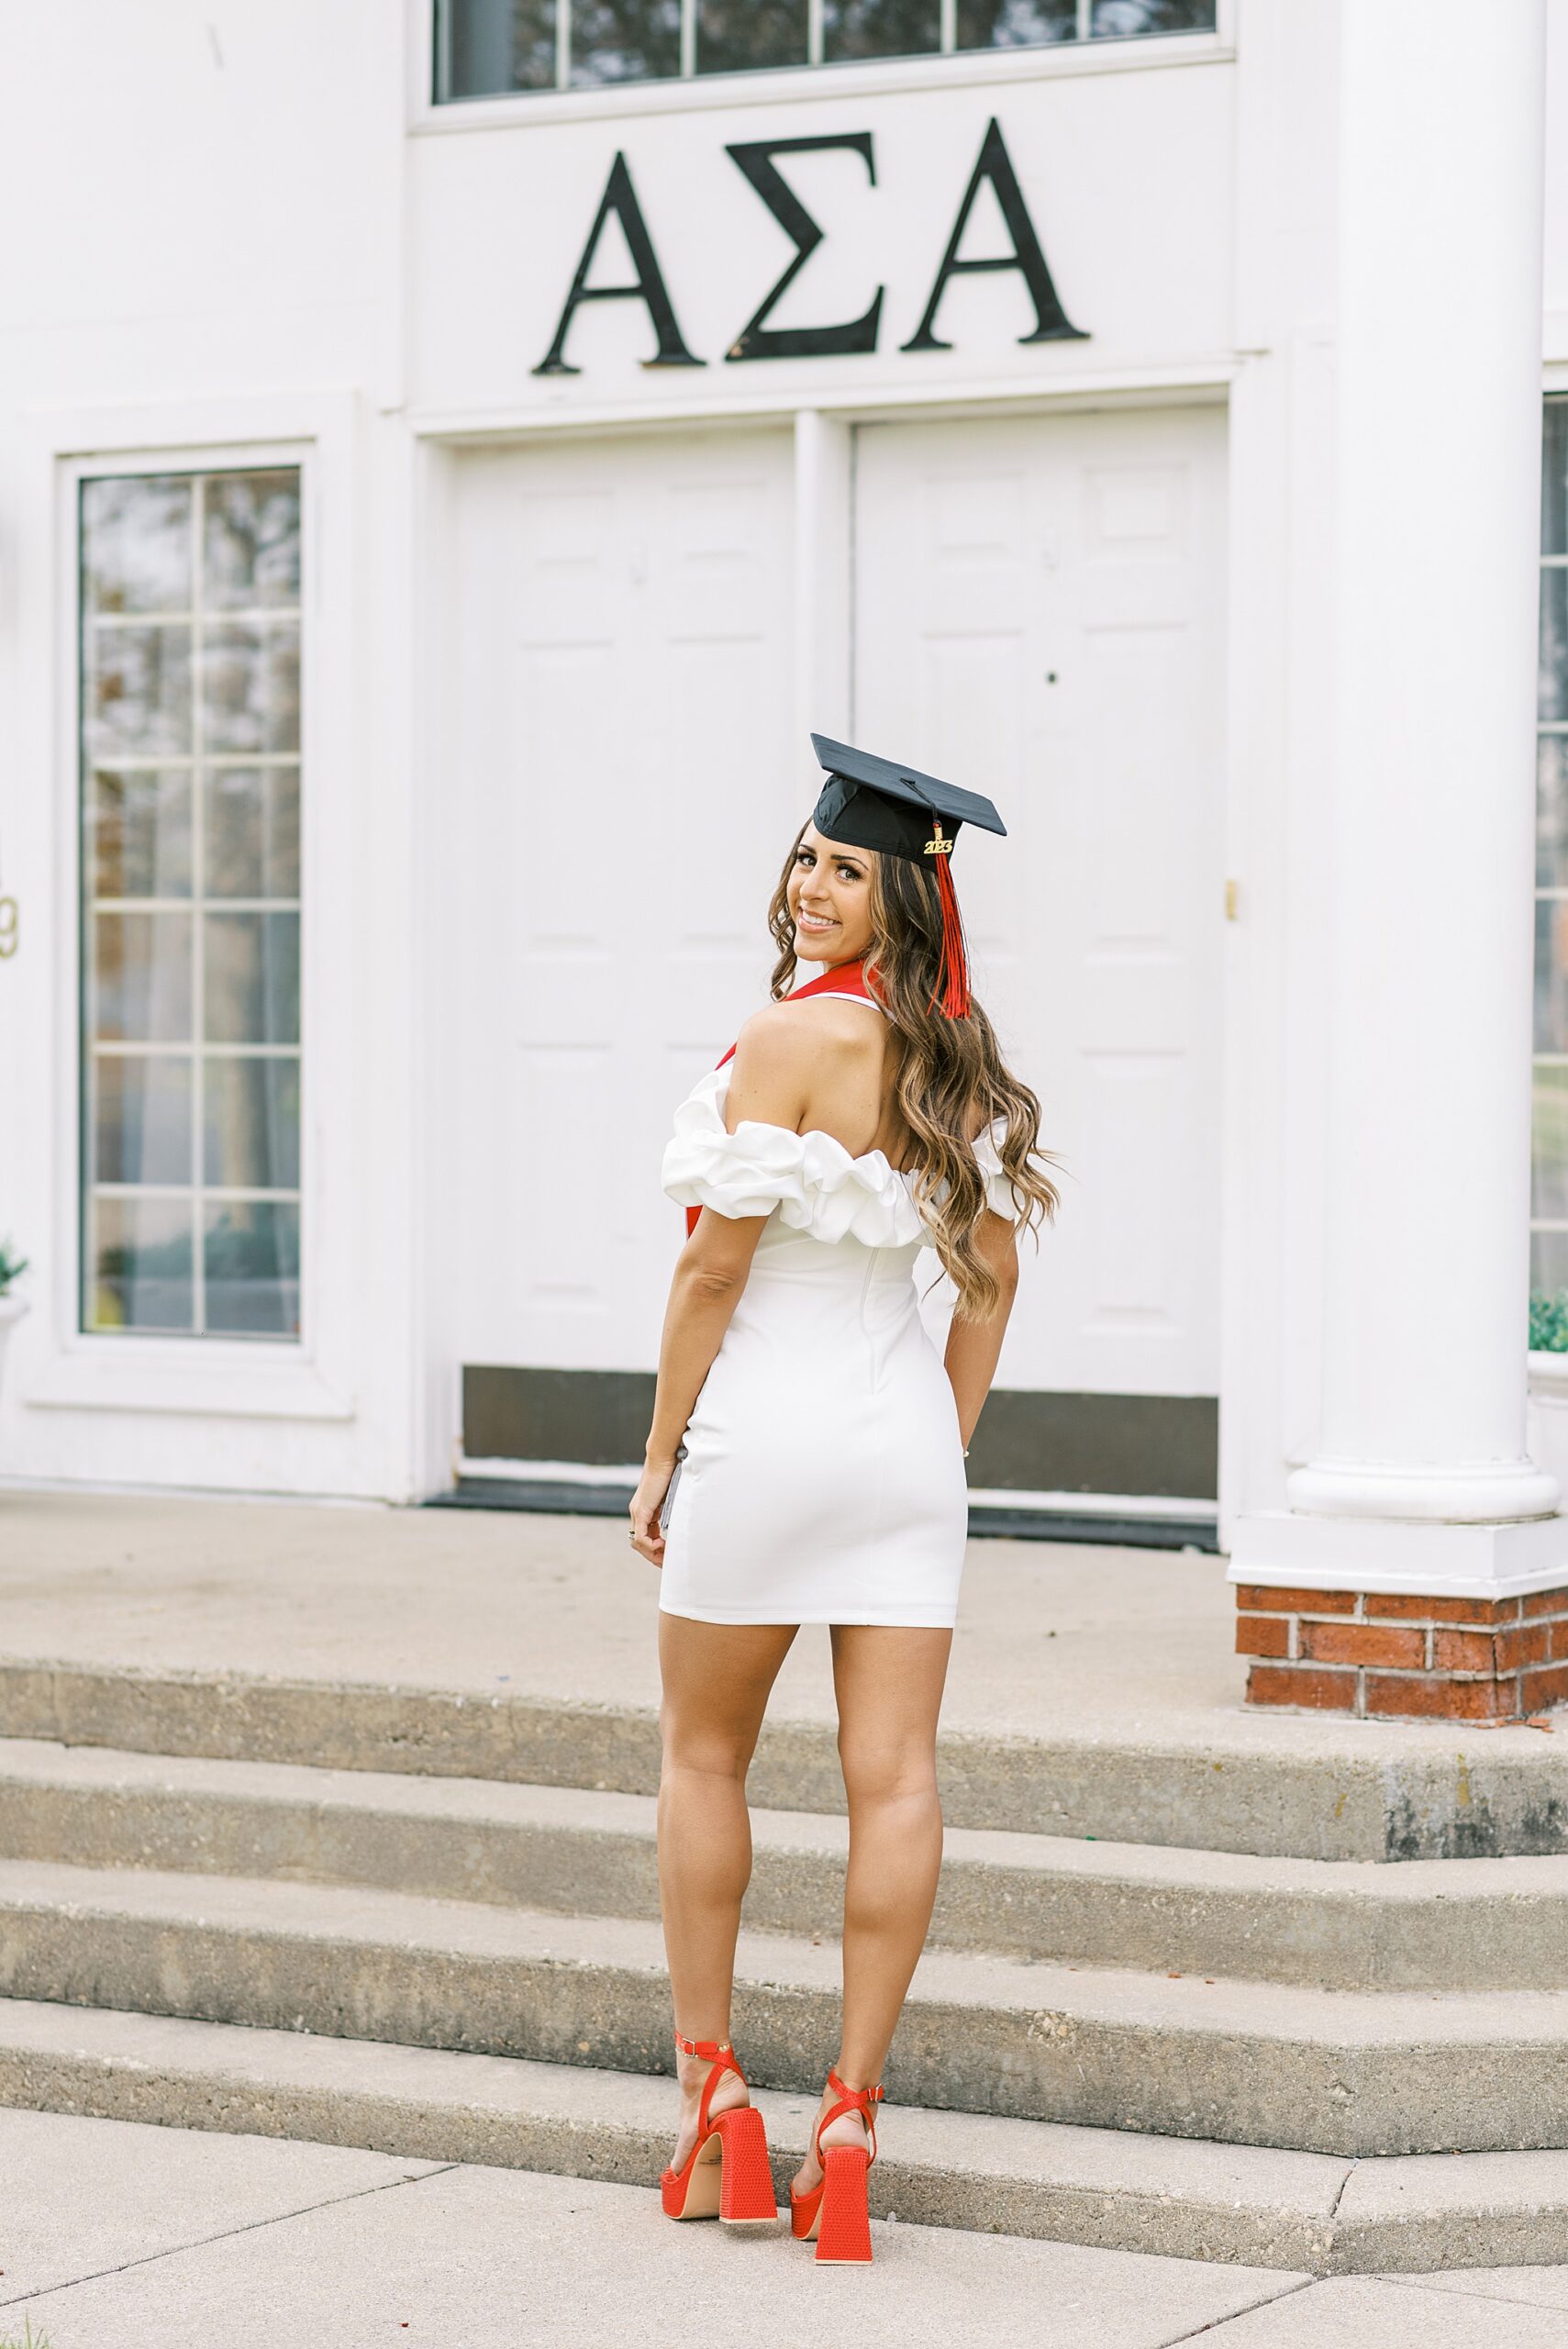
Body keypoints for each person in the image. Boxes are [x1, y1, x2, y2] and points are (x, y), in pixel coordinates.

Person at [628, 736, 1058, 2265]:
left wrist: (663, 1447)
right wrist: (933, 1440)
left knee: (702, 1754)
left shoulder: (780, 1042)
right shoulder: (965, 1065)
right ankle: (854, 2120)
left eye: (846, 870)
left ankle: (713, 2103)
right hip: (895, 1456)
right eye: (808, 859)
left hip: (760, 1436)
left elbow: (711, 1270)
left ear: (898, 900)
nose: (813, 887)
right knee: (895, 1779)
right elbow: (989, 1285)